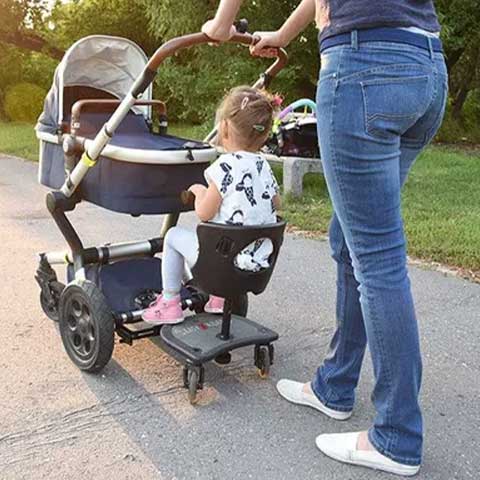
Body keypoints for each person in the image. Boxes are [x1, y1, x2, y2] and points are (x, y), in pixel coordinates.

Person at [203, 0, 447, 476]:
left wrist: (223, 22)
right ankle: (334, 385)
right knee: (348, 237)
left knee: (378, 259)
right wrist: (285, 36)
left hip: (365, 67)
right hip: (425, 68)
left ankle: (397, 437)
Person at [142, 86, 281, 325]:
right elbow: (276, 204)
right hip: (255, 261)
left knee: (174, 236)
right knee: (231, 230)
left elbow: (204, 213)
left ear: (224, 127)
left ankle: (169, 302)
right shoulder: (265, 166)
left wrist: (199, 192)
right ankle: (218, 298)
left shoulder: (224, 166)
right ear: (264, 133)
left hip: (222, 264)